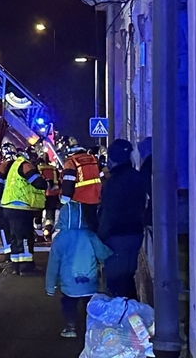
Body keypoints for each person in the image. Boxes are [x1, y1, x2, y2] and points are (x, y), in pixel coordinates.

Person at [45, 201, 112, 338]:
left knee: (68, 304)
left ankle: (71, 327)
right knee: (90, 305)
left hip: (69, 283)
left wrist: (50, 286)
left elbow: (53, 263)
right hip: (90, 281)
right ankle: (92, 329)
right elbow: (103, 253)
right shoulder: (90, 235)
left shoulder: (60, 239)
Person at [97, 138, 148, 299]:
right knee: (127, 278)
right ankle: (131, 317)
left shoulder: (113, 183)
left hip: (117, 236)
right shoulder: (137, 176)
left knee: (116, 282)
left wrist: (100, 238)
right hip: (136, 232)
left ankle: (125, 319)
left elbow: (109, 214)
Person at [0, 143, 48, 274]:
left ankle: (16, 266)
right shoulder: (23, 164)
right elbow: (38, 182)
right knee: (25, 237)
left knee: (15, 238)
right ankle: (26, 267)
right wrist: (46, 183)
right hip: (21, 208)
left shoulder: (4, 167)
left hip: (6, 207)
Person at [60, 137, 102, 231]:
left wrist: (64, 200)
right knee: (95, 224)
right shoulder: (92, 158)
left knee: (82, 226)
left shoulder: (71, 162)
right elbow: (100, 175)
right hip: (97, 197)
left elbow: (68, 182)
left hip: (80, 199)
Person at [38, 156, 60, 239]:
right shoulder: (53, 169)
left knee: (37, 215)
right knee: (50, 215)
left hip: (39, 196)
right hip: (52, 195)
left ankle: (39, 231)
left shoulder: (36, 168)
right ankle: (48, 230)